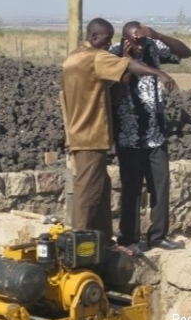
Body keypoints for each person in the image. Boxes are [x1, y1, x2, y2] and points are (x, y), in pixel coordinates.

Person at [60, 18, 177, 248]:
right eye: (107, 39)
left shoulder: (74, 57)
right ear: (94, 37)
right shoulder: (95, 56)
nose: (109, 44)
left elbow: (114, 93)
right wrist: (159, 74)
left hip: (83, 135)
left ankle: (104, 243)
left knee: (101, 191)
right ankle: (77, 246)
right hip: (90, 136)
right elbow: (130, 67)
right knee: (88, 194)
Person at [108, 21, 191, 252]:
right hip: (129, 137)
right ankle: (129, 239)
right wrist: (156, 72)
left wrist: (158, 35)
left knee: (161, 186)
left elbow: (185, 52)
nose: (141, 46)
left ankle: (158, 236)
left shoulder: (153, 46)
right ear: (125, 40)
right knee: (131, 190)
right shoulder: (115, 53)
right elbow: (125, 75)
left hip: (156, 135)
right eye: (136, 42)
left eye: (143, 40)